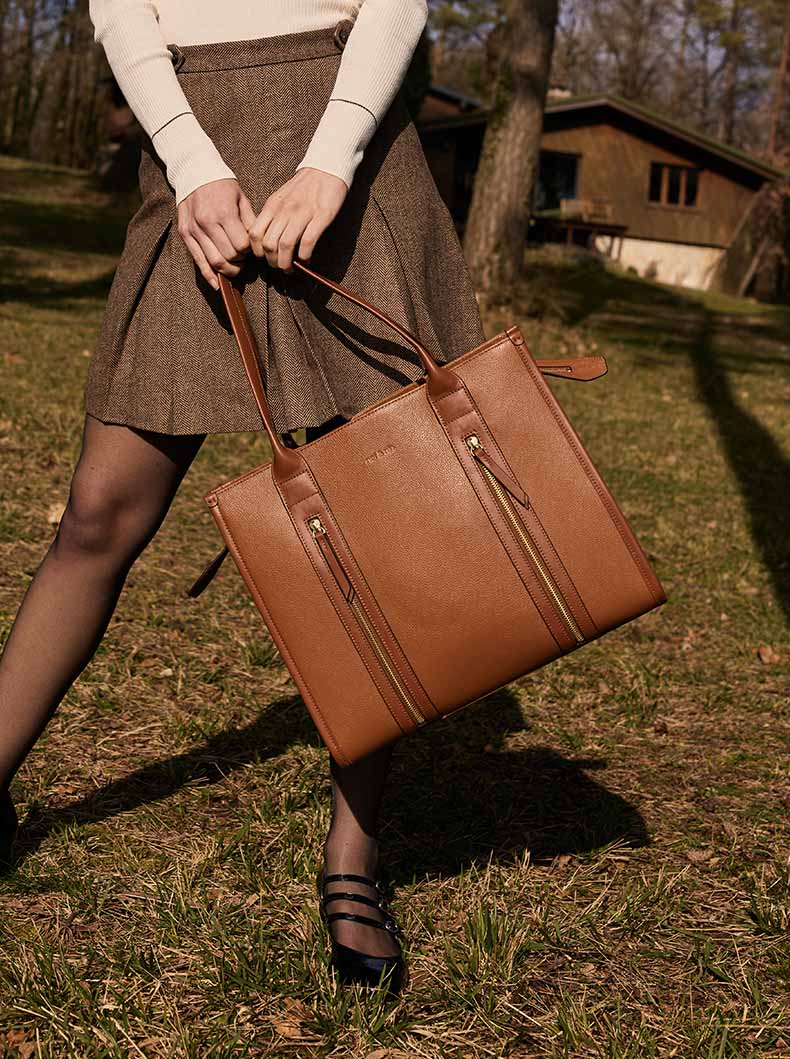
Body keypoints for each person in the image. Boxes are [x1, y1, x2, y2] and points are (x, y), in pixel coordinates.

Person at [0, 0, 486, 992]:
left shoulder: (342, 157)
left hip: (342, 155)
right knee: (98, 512)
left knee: (367, 530)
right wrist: (190, 161)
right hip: (195, 161)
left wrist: (332, 159)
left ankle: (352, 857)